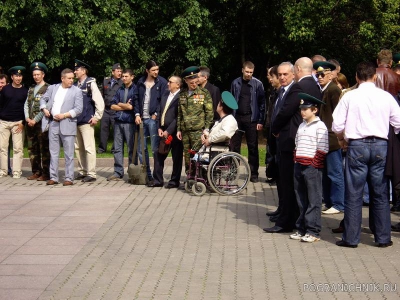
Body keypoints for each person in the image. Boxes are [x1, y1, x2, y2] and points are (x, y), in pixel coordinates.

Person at [332, 61, 400, 248]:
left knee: (354, 193)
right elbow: (398, 123)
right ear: (375, 76)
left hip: (357, 145)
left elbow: (336, 125)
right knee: (380, 193)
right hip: (380, 145)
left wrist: (342, 138)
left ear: (356, 77)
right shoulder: (386, 97)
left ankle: (351, 238)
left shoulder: (349, 97)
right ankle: (383, 237)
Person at [264, 58, 322, 233]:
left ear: (295, 72)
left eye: (285, 74)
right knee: (286, 182)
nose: (282, 77)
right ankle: (286, 216)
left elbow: (285, 112)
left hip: (289, 140)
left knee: (290, 184)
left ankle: (287, 222)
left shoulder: (297, 88)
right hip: (287, 141)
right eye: (279, 74)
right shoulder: (289, 89)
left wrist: (274, 128)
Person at [290, 93, 328, 243]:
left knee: (314, 199)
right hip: (299, 165)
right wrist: (296, 159)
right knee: (301, 199)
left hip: (312, 167)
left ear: (314, 110)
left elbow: (323, 148)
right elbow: (297, 144)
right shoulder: (301, 125)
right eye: (301, 109)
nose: (302, 111)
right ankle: (302, 228)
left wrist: (314, 164)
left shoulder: (320, 126)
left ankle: (313, 231)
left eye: (306, 109)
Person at [40, 68, 83, 186]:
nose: (71, 80)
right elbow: (43, 99)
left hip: (68, 124)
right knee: (53, 152)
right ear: (62, 78)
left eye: (72, 78)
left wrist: (64, 115)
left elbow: (78, 109)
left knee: (69, 153)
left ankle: (69, 178)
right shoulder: (53, 88)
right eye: (69, 78)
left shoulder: (76, 91)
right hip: (53, 124)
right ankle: (53, 177)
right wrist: (44, 109)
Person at [313, 61, 345, 215]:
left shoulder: (333, 90)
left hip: (332, 137)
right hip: (323, 137)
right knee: (325, 173)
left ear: (331, 75)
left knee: (335, 172)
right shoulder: (323, 90)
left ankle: (339, 203)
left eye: (322, 74)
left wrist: (339, 136)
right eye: (317, 74)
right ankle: (329, 201)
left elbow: (337, 116)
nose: (319, 77)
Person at [230, 61, 266, 182]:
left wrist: (261, 121)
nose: (248, 74)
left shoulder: (258, 84)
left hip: (251, 119)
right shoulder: (235, 83)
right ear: (242, 70)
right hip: (237, 118)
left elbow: (262, 104)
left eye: (251, 72)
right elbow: (230, 101)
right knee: (234, 146)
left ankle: (253, 173)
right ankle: (234, 171)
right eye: (247, 72)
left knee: (253, 146)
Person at [133, 60, 168, 186]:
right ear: (147, 70)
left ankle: (156, 176)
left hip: (154, 120)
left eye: (157, 69)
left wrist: (156, 114)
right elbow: (136, 99)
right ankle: (146, 175)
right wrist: (137, 114)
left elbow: (163, 100)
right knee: (142, 149)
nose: (156, 72)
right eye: (153, 70)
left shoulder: (162, 82)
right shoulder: (140, 82)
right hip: (142, 119)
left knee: (155, 149)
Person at [177, 66, 214, 173]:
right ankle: (190, 176)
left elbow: (209, 112)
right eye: (191, 82)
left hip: (198, 130)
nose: (194, 85)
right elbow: (180, 113)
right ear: (186, 81)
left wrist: (206, 129)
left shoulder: (204, 93)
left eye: (195, 82)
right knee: (187, 156)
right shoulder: (182, 94)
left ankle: (200, 177)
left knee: (198, 155)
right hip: (185, 130)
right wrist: (179, 129)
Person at [73, 59, 104, 183]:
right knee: (78, 148)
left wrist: (97, 116)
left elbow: (99, 101)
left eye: (77, 69)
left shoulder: (90, 83)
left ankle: (91, 173)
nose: (75, 72)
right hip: (76, 121)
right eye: (75, 69)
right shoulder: (75, 85)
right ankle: (82, 171)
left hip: (87, 121)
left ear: (84, 71)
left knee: (89, 147)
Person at [152, 76, 183, 188]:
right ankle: (158, 180)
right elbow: (160, 111)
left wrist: (169, 130)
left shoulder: (181, 97)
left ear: (178, 85)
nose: (168, 83)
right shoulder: (165, 94)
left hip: (175, 132)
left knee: (177, 157)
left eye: (170, 82)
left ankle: (174, 181)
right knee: (158, 153)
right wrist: (159, 127)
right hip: (163, 130)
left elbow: (178, 117)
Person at [107, 69, 136, 181]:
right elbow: (112, 106)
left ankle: (132, 171)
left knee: (130, 148)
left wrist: (120, 105)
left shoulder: (135, 89)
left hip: (129, 122)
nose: (124, 78)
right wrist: (123, 105)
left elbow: (132, 107)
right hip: (118, 121)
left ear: (132, 77)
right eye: (123, 76)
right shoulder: (120, 89)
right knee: (117, 148)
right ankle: (118, 172)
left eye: (126, 76)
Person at [24, 62, 50, 181]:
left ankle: (45, 173)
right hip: (30, 123)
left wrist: (35, 120)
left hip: (41, 123)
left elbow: (47, 106)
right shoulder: (31, 88)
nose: (36, 77)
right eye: (34, 75)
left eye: (38, 74)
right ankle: (36, 171)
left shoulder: (48, 88)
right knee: (32, 149)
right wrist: (27, 118)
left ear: (43, 75)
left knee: (43, 148)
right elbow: (26, 104)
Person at [0, 66, 28, 178]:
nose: (18, 78)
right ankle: (3, 171)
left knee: (18, 148)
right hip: (4, 122)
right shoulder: (5, 89)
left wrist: (23, 123)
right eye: (16, 76)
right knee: (2, 148)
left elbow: (26, 109)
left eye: (20, 76)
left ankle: (17, 171)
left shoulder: (25, 91)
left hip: (18, 123)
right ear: (11, 77)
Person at [198, 91, 239, 158]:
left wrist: (209, 140)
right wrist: (206, 135)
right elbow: (217, 133)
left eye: (218, 103)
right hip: (212, 150)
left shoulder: (229, 120)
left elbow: (225, 134)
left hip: (217, 152)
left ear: (221, 107)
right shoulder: (222, 120)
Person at [98, 63, 123, 154]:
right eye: (118, 71)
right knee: (103, 129)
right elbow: (102, 94)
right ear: (113, 72)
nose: (120, 73)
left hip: (115, 109)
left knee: (116, 130)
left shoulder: (122, 82)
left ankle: (114, 149)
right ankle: (102, 148)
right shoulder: (106, 81)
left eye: (121, 71)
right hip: (106, 109)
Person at [0, 74, 12, 176]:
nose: (0, 85)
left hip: (4, 122)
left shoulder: (9, 94)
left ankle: (7, 168)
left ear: (7, 83)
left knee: (4, 147)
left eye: (2, 83)